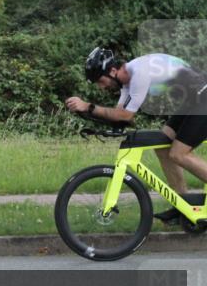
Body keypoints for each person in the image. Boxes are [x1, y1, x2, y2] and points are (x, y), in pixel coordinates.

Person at [65, 47, 207, 224]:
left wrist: (88, 106)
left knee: (178, 153)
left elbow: (125, 116)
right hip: (195, 100)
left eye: (101, 81)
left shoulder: (139, 73)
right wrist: (90, 117)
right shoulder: (127, 82)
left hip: (203, 98)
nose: (102, 87)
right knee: (163, 145)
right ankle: (182, 205)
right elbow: (119, 115)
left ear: (113, 71)